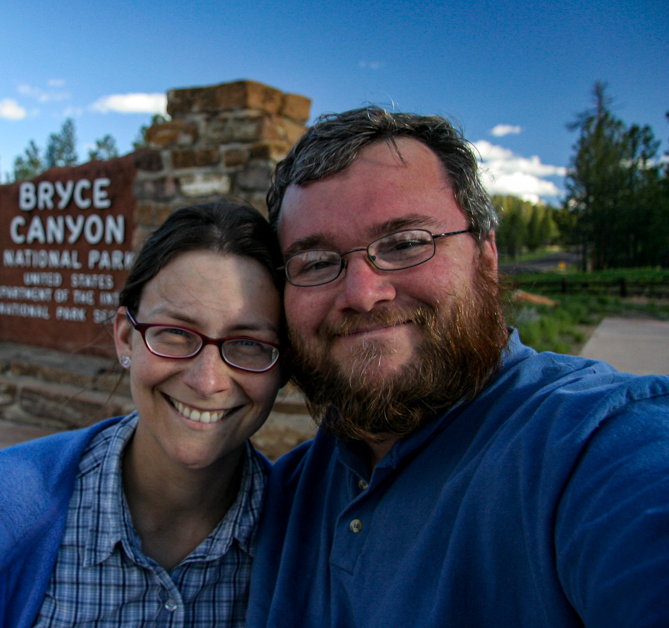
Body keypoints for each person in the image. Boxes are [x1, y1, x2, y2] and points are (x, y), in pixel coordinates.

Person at [246, 107, 669, 627]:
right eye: (315, 263)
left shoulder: (590, 444)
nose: (361, 293)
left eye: (405, 244)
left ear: (486, 258)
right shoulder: (281, 496)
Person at [0, 201, 287, 626]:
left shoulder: (310, 538)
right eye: (174, 333)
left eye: (248, 344)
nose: (207, 382)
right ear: (125, 337)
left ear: (284, 367)